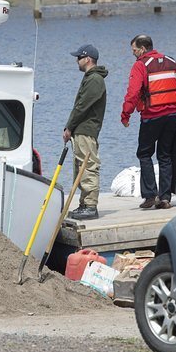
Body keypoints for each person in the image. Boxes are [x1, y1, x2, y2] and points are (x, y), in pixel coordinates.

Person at [121, 34, 176, 209]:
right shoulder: (171, 62)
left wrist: (125, 115)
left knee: (144, 154)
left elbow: (133, 93)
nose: (133, 54)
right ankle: (165, 198)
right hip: (172, 115)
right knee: (165, 156)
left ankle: (150, 195)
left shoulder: (140, 65)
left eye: (134, 50)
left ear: (142, 49)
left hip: (152, 115)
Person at [63, 44, 108, 220]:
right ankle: (84, 204)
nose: (77, 61)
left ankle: (90, 206)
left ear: (87, 59)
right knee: (80, 167)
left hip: (86, 129)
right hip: (81, 130)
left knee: (88, 167)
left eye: (79, 58)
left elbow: (82, 106)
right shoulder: (90, 78)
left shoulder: (95, 79)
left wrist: (69, 127)